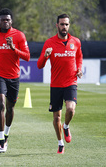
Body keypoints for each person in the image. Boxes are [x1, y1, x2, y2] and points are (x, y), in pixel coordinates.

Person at [37, 14, 83, 154]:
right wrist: (45, 55)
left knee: (70, 110)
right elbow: (39, 65)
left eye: (66, 24)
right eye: (62, 24)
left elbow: (79, 57)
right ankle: (60, 143)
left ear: (69, 25)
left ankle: (66, 126)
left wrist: (79, 68)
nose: (64, 27)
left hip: (71, 82)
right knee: (56, 117)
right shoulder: (49, 43)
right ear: (57, 25)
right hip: (56, 85)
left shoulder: (76, 42)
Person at [0, 8, 30, 153]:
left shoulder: (19, 35)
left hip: (14, 76)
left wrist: (13, 48)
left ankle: (6, 135)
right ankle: (0, 140)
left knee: (10, 108)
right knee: (1, 105)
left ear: (11, 21)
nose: (5, 22)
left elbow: (27, 56)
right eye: (3, 20)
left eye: (8, 20)